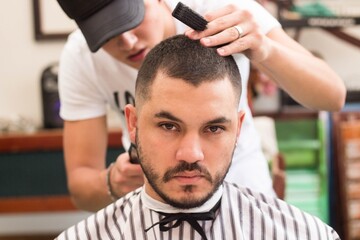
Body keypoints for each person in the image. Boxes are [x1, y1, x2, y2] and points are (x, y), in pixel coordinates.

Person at [56, 0, 346, 211]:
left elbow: (332, 96)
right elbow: (81, 187)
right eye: (107, 34)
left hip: (245, 198)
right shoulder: (82, 58)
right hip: (153, 206)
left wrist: (264, 50)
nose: (129, 42)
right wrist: (112, 182)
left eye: (129, 19)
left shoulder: (218, 9)